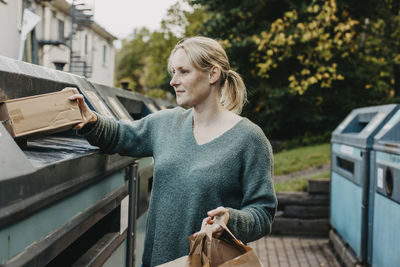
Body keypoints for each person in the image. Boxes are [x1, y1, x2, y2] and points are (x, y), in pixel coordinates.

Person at [69, 36, 277, 267]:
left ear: (213, 74)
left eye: (183, 72)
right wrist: (90, 120)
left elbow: (262, 213)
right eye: (173, 72)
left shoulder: (249, 139)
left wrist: (231, 220)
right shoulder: (164, 123)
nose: (173, 81)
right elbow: (118, 135)